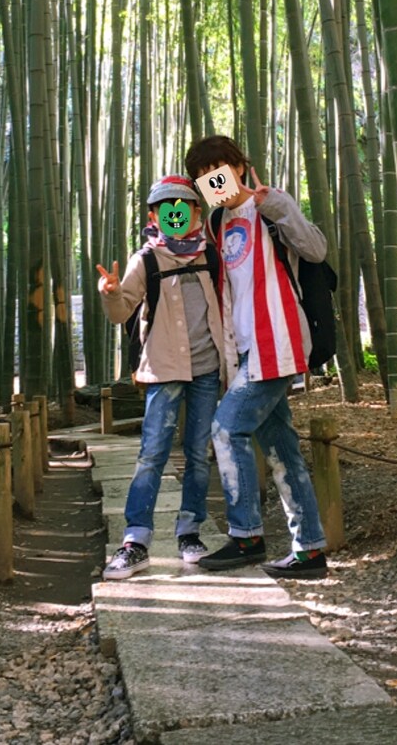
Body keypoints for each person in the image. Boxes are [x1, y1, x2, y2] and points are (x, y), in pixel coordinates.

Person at [185, 134, 329, 578]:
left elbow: (316, 250)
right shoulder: (217, 222)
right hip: (247, 349)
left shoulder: (270, 205)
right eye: (203, 176)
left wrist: (275, 206)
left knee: (226, 429)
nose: (213, 180)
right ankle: (310, 550)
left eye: (219, 170)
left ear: (239, 168)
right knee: (281, 448)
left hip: (279, 341)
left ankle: (246, 536)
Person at [96, 175, 227, 579]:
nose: (175, 215)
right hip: (164, 368)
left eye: (182, 207)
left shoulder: (214, 255)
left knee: (198, 454)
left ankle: (190, 532)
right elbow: (122, 312)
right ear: (154, 217)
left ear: (196, 213)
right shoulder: (147, 259)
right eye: (165, 209)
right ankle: (135, 541)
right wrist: (111, 292)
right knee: (152, 453)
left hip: (207, 368)